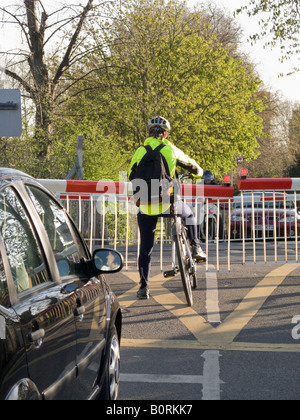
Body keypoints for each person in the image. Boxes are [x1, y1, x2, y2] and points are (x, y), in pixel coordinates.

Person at [129, 116, 206, 300]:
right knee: (189, 214)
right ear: (165, 134)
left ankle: (143, 288)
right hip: (168, 204)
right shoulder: (171, 149)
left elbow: (131, 174)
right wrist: (199, 173)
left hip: (146, 206)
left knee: (146, 248)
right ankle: (196, 247)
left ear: (149, 133)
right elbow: (194, 167)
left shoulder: (140, 150)